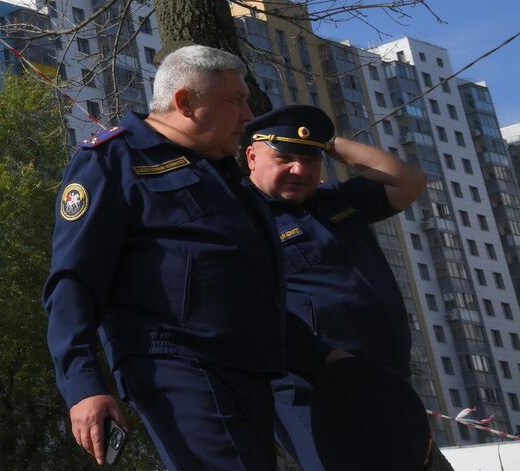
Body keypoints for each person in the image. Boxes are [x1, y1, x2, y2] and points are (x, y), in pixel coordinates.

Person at [45, 45, 337, 470]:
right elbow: (73, 280)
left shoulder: (225, 176)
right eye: (236, 100)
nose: (247, 116)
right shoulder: (114, 160)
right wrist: (83, 384)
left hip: (251, 371)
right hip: (176, 366)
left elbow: (251, 293)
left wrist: (322, 356)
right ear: (186, 103)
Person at [242, 103, 429, 471]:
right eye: (285, 158)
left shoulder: (336, 201)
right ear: (251, 156)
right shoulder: (243, 219)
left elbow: (409, 181)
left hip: (384, 379)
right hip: (314, 387)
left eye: (311, 161)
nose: (299, 169)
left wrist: (328, 144)